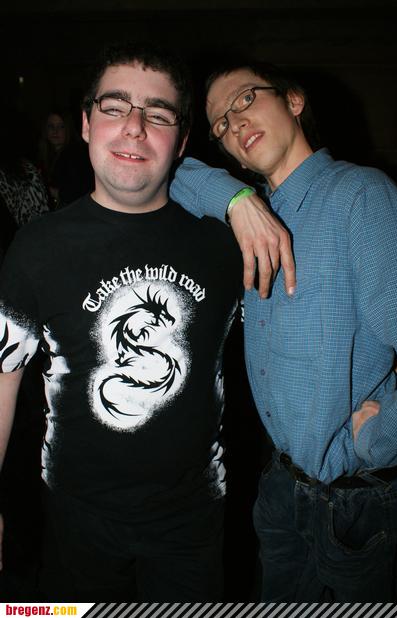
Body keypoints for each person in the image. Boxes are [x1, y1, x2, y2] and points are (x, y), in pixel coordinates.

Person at [0, 42, 258, 602]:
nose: (135, 128)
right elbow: (2, 379)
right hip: (74, 520)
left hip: (194, 521)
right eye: (115, 107)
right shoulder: (37, 247)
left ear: (182, 142)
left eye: (158, 115)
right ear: (86, 123)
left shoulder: (226, 244)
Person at [170, 59, 397, 601]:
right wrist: (234, 198)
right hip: (281, 488)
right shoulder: (252, 213)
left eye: (246, 99)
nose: (234, 123)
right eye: (220, 124)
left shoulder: (360, 196)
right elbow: (170, 171)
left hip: (356, 503)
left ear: (293, 100)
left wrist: (381, 439)